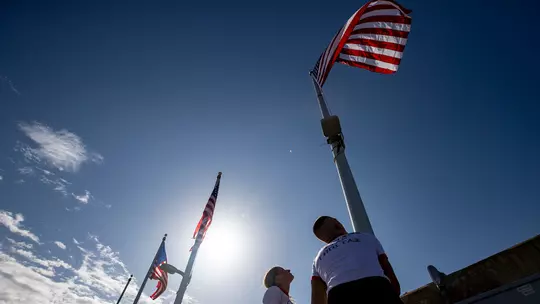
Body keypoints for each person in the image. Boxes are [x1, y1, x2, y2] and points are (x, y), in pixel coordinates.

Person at [310, 216, 402, 304]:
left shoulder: (318, 257)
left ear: (323, 240)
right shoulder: (366, 237)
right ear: (337, 224)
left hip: (339, 294)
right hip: (376, 286)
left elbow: (317, 296)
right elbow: (385, 266)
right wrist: (394, 293)